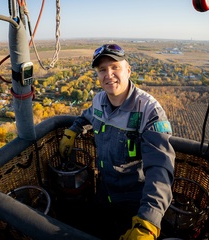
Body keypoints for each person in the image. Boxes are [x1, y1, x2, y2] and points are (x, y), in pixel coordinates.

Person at [59, 43, 175, 240]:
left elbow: (160, 168)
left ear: (128, 71)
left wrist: (148, 220)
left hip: (133, 200)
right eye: (102, 69)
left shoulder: (149, 111)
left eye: (115, 67)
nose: (108, 74)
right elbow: (87, 116)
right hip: (103, 191)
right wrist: (73, 130)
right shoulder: (99, 101)